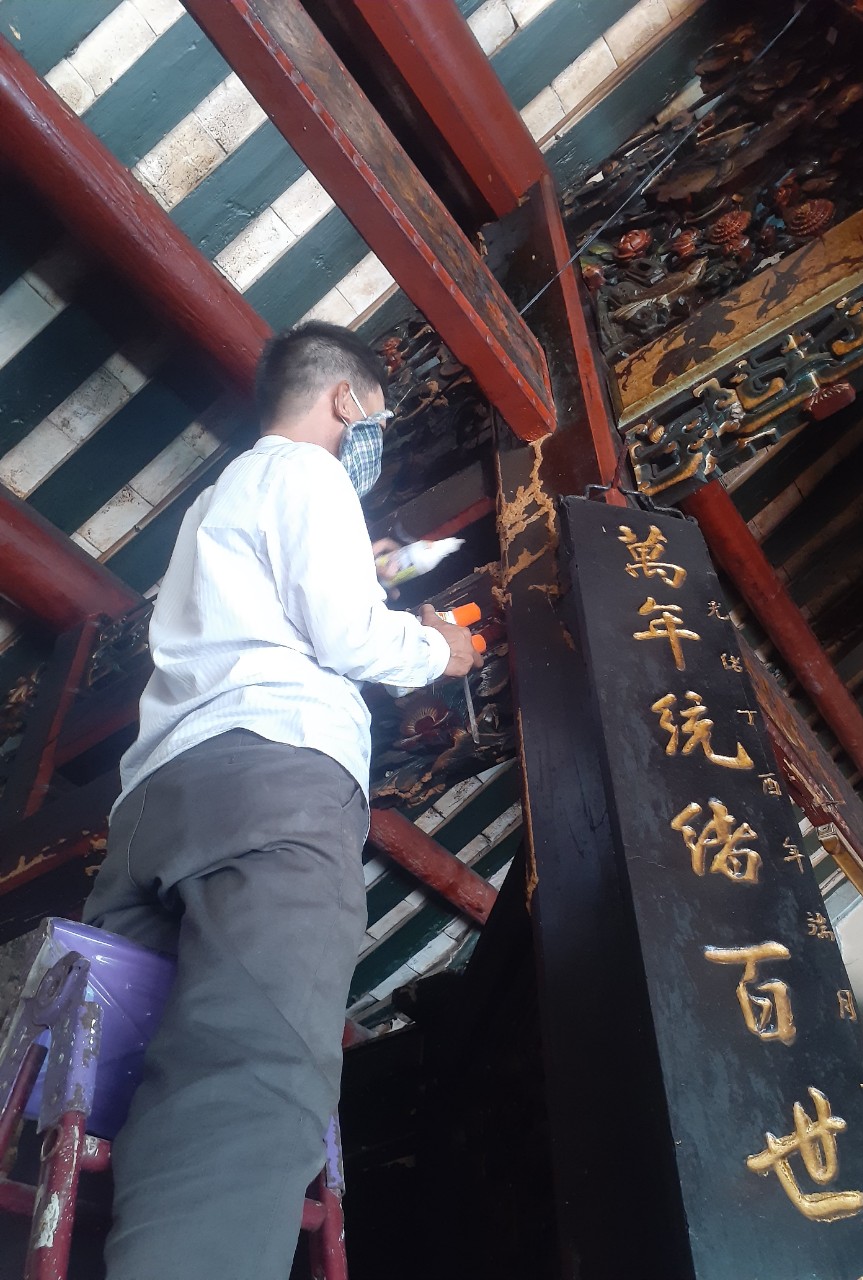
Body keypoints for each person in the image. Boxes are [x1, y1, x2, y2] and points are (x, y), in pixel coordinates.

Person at [83, 321, 482, 1279]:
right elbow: (349, 637)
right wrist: (442, 650)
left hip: (155, 803)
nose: (373, 434)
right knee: (251, 1075)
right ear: (348, 399)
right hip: (272, 784)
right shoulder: (312, 475)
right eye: (376, 415)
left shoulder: (218, 499)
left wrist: (365, 575)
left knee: (98, 1083)